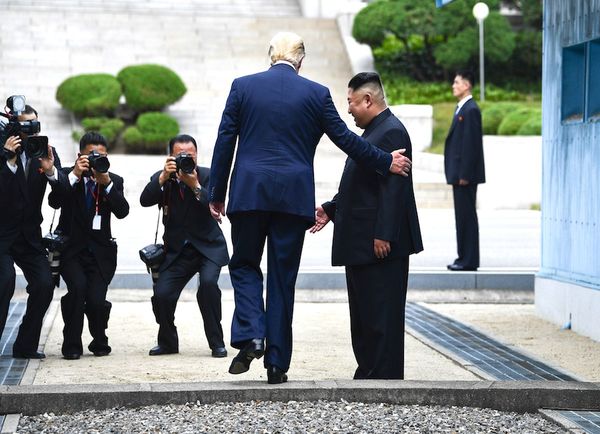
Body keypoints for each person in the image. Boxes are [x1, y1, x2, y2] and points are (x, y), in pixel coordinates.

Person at [208, 32, 412, 384]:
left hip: (250, 194)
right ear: (300, 62)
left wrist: (217, 192)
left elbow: (225, 139)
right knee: (283, 279)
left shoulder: (242, 87)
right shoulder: (316, 94)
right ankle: (276, 365)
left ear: (271, 56)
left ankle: (252, 334)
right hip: (292, 200)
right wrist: (384, 161)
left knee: (243, 264)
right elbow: (345, 139)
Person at [311, 72, 423, 379]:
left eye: (350, 102)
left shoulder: (391, 132)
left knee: (380, 314)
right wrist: (331, 209)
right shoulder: (375, 131)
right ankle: (369, 372)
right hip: (362, 241)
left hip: (379, 243)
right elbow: (362, 184)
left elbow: (394, 188)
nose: (348, 109)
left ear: (367, 100)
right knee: (365, 313)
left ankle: (382, 377)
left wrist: (383, 234)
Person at [140, 134, 229, 358]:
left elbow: (214, 204)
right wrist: (162, 177)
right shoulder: (165, 178)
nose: (186, 159)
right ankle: (168, 342)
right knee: (162, 295)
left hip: (208, 247)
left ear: (197, 155)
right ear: (170, 156)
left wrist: (195, 185)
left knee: (208, 287)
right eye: (180, 155)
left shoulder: (209, 175)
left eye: (190, 155)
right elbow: (145, 200)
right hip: (178, 251)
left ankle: (216, 343)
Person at [48, 132, 129, 359]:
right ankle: (72, 345)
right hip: (71, 251)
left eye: (100, 156)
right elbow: (54, 202)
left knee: (95, 299)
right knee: (77, 290)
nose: (95, 160)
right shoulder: (66, 176)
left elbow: (122, 212)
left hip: (101, 253)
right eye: (90, 155)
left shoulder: (113, 179)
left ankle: (99, 340)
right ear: (79, 156)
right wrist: (74, 174)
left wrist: (108, 185)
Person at [0, 100, 68, 359]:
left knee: (43, 284)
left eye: (35, 128)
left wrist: (52, 173)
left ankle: (25, 346)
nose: (31, 136)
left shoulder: (45, 150)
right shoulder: (3, 150)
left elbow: (60, 198)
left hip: (30, 236)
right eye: (26, 130)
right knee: (4, 281)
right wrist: (8, 160)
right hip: (2, 234)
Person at [444, 70, 486, 272]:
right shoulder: (462, 108)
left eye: (457, 82)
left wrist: (465, 175)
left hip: (464, 176)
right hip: (459, 174)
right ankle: (463, 257)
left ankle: (468, 260)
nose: (454, 85)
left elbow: (471, 145)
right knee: (462, 217)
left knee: (466, 217)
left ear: (467, 85)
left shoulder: (470, 110)